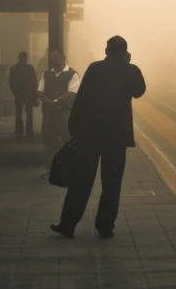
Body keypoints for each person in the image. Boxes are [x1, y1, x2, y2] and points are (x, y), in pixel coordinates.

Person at [50, 36, 146, 239]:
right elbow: (139, 91)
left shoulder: (94, 69)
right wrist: (128, 63)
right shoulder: (130, 70)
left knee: (81, 181)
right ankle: (105, 226)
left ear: (106, 50)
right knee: (112, 184)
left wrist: (73, 127)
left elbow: (81, 98)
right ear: (125, 52)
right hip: (117, 138)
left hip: (90, 135)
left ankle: (68, 225)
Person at [38, 49, 80, 178]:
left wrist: (55, 101)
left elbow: (72, 93)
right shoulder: (46, 74)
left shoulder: (72, 74)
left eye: (56, 59)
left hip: (64, 113)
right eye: (52, 59)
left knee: (67, 140)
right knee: (49, 141)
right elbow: (40, 91)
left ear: (63, 58)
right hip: (49, 114)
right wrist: (49, 102)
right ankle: (51, 169)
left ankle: (68, 169)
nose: (53, 62)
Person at [9, 51, 39, 138]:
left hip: (19, 94)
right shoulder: (30, 68)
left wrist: (15, 92)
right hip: (29, 94)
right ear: (26, 58)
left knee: (18, 112)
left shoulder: (14, 69)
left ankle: (19, 130)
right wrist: (35, 95)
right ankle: (29, 131)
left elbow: (11, 83)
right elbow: (34, 82)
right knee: (29, 113)